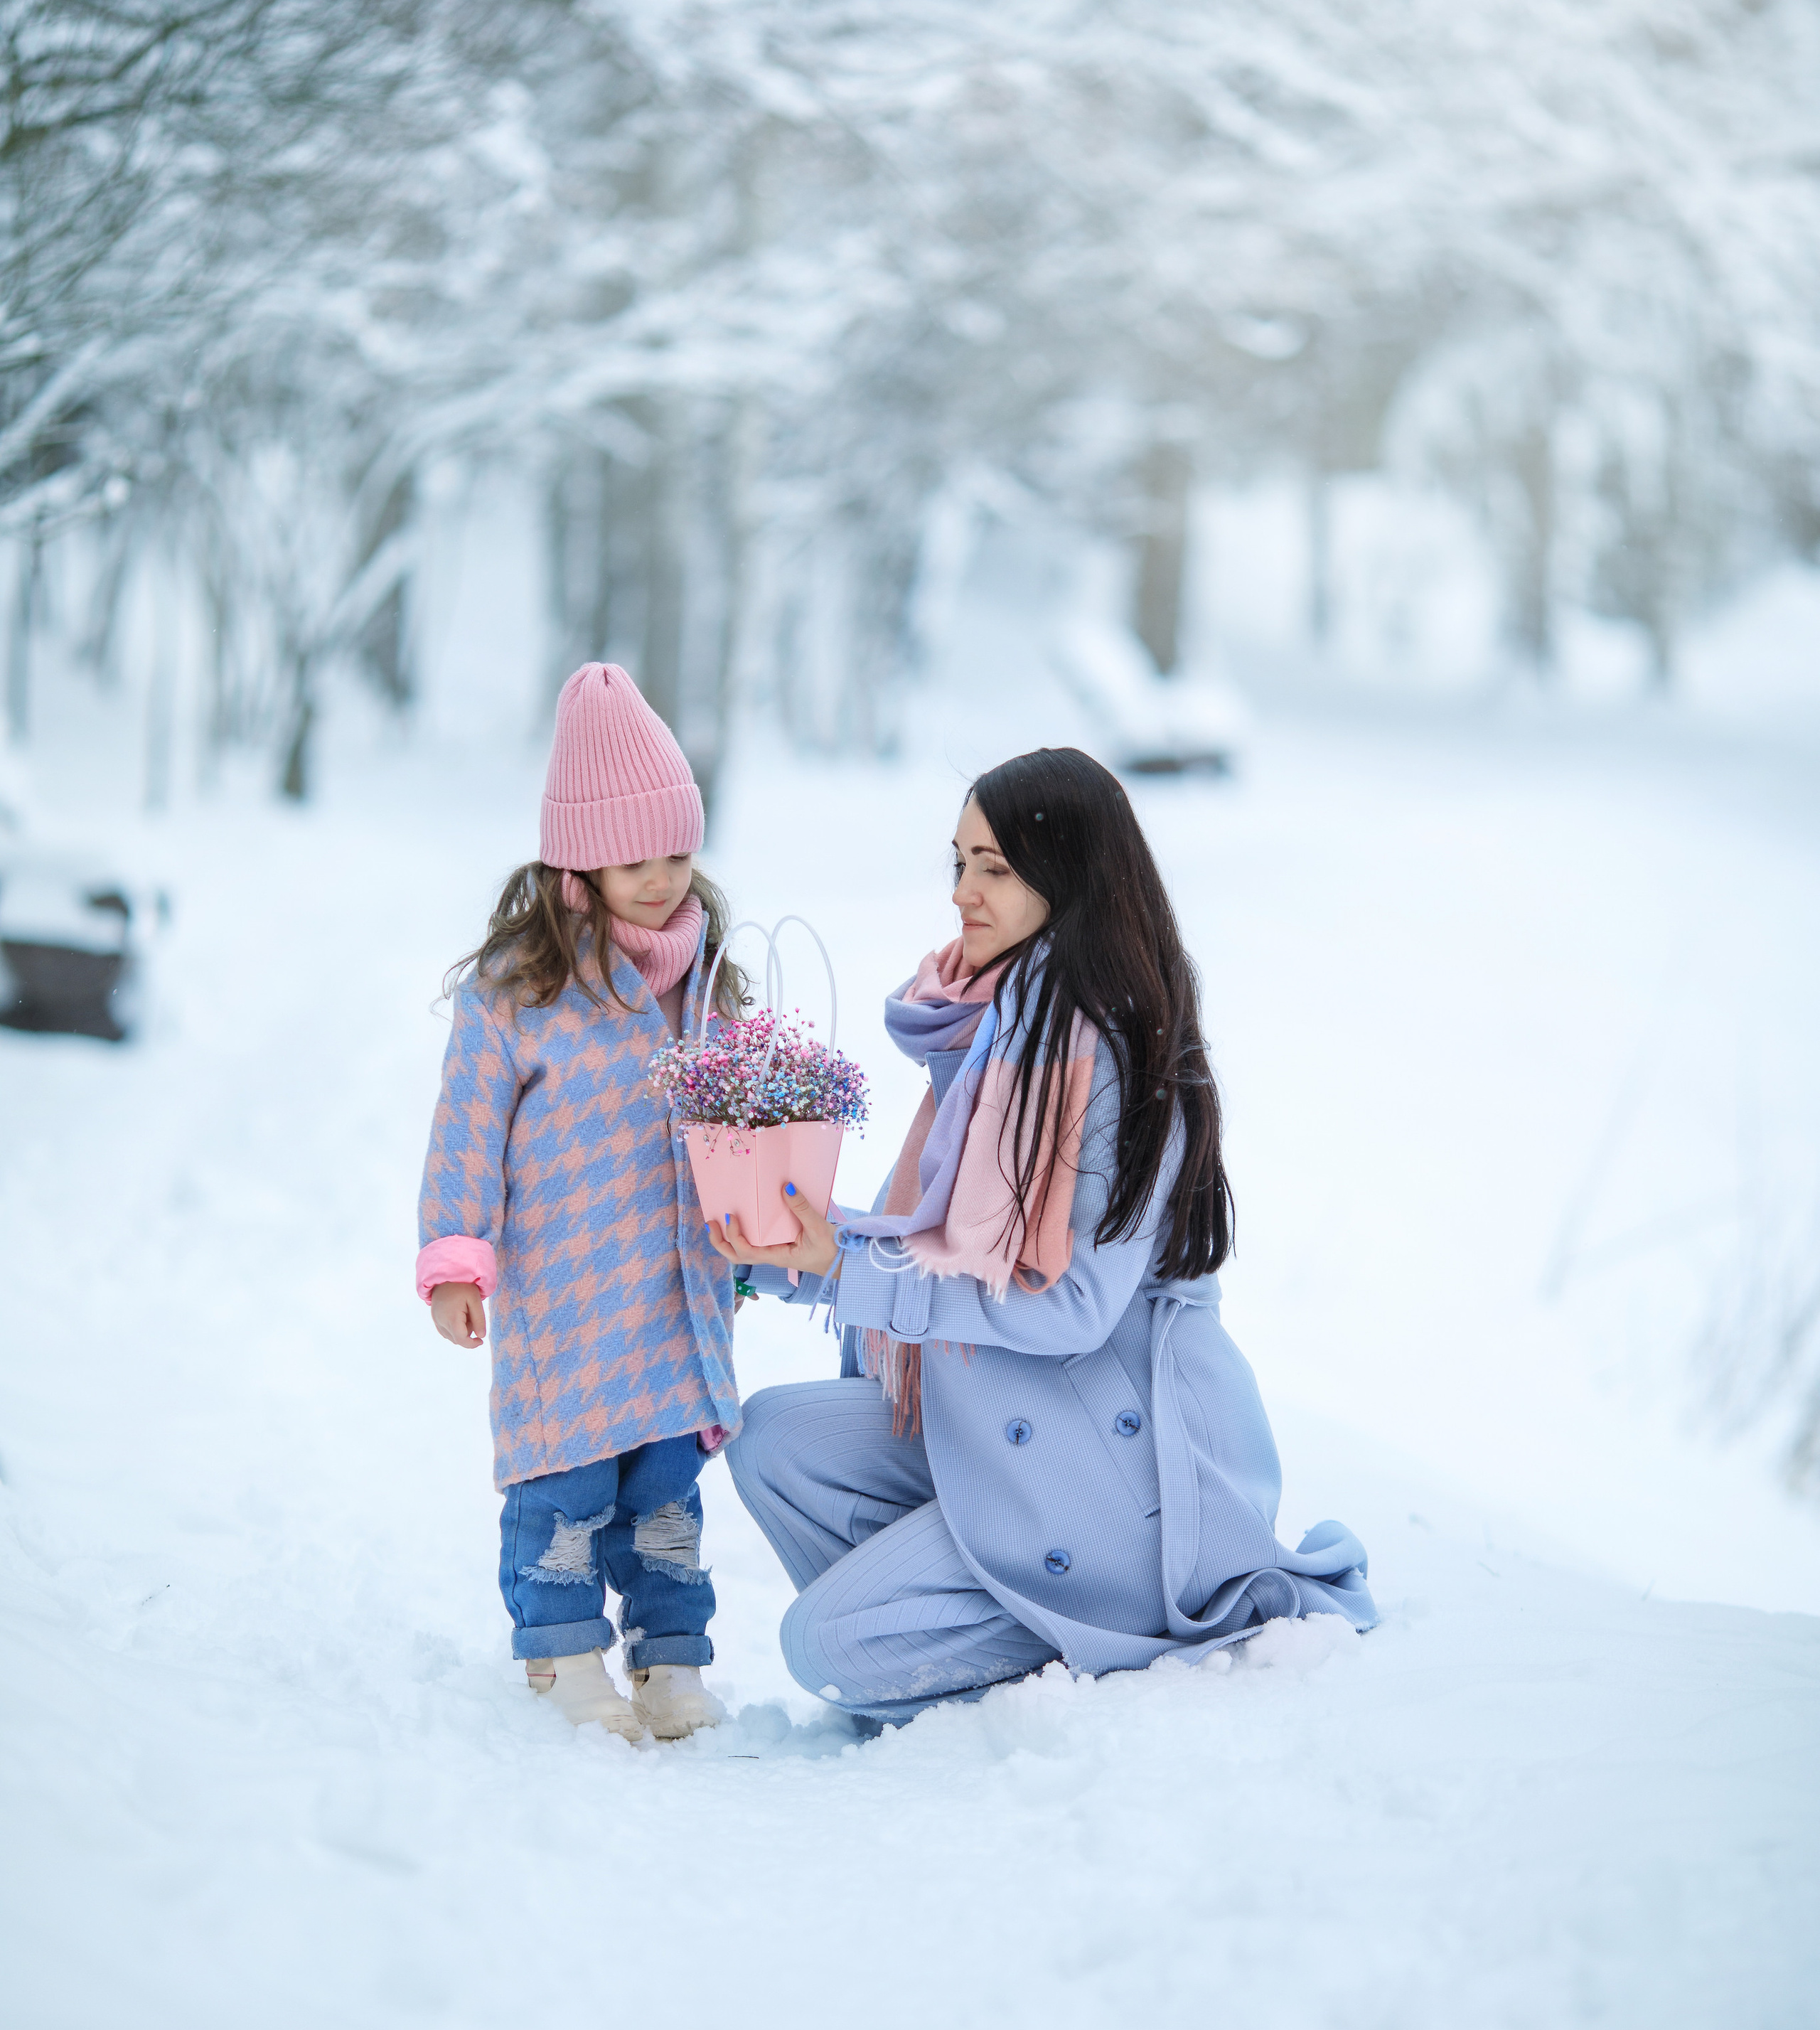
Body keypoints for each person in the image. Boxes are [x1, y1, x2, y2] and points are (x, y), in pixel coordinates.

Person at [712, 745, 1376, 1728]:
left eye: (996, 867)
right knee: (776, 1439)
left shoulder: (1109, 1050)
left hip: (1112, 1467)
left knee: (824, 1644)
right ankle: (944, 1625)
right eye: (959, 863)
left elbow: (1068, 1303)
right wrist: (792, 1252)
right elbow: (948, 1248)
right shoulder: (1000, 1033)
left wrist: (848, 1264)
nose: (963, 894)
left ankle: (1040, 1649)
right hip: (1006, 1413)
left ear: (1067, 876)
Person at [417, 663, 744, 1741]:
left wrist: (763, 1214)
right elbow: (466, 1127)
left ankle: (671, 1658)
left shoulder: (707, 980)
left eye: (678, 854)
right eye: (633, 858)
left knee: (664, 1495)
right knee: (564, 1484)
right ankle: (561, 1657)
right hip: (565, 1290)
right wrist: (460, 1259)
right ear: (579, 859)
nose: (661, 879)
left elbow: (745, 1115)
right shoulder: (522, 989)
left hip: (672, 1290)